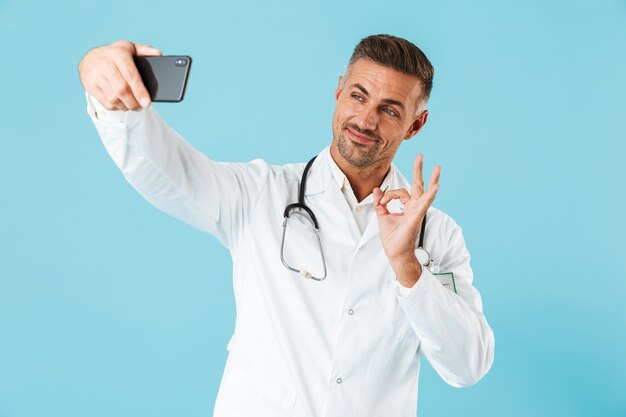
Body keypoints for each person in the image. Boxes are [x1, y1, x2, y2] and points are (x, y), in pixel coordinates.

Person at [79, 34, 494, 417]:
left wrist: (407, 265)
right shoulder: (260, 194)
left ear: (415, 125)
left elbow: (468, 365)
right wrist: (111, 96)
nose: (366, 121)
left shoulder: (436, 235)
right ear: (338, 92)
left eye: (389, 110)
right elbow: (168, 172)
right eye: (358, 96)